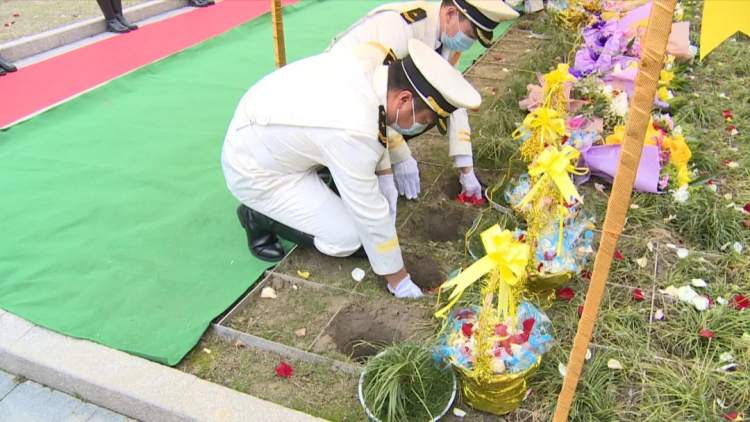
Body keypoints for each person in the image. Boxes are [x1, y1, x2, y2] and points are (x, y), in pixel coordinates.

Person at [221, 39, 481, 299]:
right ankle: (258, 217)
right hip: (257, 170)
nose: (419, 127)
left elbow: (374, 125)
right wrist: (398, 278)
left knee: (353, 202)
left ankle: (314, 184)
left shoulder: (375, 70)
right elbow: (368, 209)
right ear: (403, 98)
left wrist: (385, 175)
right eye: (423, 120)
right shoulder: (353, 129)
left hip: (274, 136)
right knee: (350, 238)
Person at [328, 0, 518, 202]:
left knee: (430, 111)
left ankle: (375, 162)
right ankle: (336, 173)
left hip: (378, 104)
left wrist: (466, 168)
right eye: (470, 35)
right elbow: (374, 95)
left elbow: (452, 99)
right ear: (451, 13)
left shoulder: (446, 36)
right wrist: (400, 155)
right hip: (337, 99)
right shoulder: (399, 26)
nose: (468, 44)